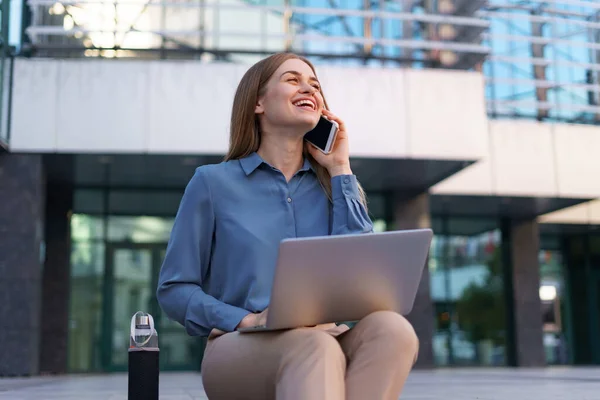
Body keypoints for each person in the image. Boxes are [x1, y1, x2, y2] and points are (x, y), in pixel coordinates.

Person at [156, 52, 419, 400]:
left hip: (327, 336)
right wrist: (244, 319)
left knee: (393, 330)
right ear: (258, 102)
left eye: (315, 85)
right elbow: (175, 289)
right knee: (314, 347)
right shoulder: (211, 183)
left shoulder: (334, 187)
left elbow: (359, 278)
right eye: (293, 80)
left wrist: (341, 168)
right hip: (240, 346)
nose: (308, 88)